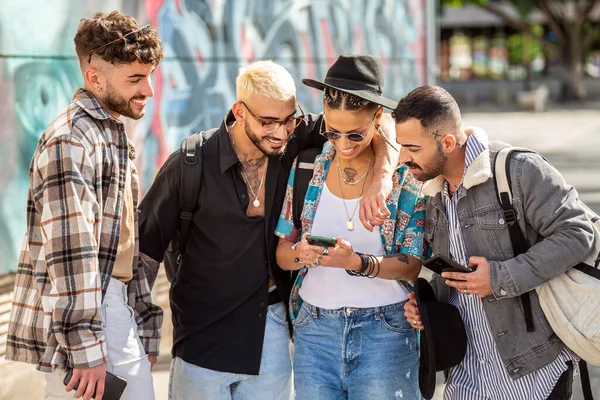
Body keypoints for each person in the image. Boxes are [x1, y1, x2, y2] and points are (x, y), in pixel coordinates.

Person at [137, 59, 398, 400]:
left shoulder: (293, 137)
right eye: (268, 122)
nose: (280, 132)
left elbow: (380, 123)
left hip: (271, 331)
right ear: (239, 111)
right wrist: (141, 335)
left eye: (289, 120)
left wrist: (381, 178)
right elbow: (144, 252)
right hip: (202, 337)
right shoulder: (191, 163)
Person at [398, 85, 595, 400]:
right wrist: (428, 310)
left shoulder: (517, 170)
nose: (403, 157)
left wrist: (500, 278)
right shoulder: (432, 192)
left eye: (412, 147)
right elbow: (451, 280)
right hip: (467, 375)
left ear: (447, 142)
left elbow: (577, 233)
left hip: (534, 370)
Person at [6, 11, 164, 400]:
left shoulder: (109, 132)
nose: (149, 90)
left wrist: (140, 323)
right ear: (95, 78)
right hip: (92, 314)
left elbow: (124, 244)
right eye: (135, 79)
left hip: (108, 310)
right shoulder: (71, 141)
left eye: (149, 76)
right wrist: (86, 350)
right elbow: (71, 253)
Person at [274, 54, 425, 399]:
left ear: (377, 117)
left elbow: (412, 264)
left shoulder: (404, 179)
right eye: (333, 131)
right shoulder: (306, 167)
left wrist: (357, 263)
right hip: (314, 333)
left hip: (385, 333)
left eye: (355, 135)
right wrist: (301, 254)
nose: (342, 145)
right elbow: (282, 253)